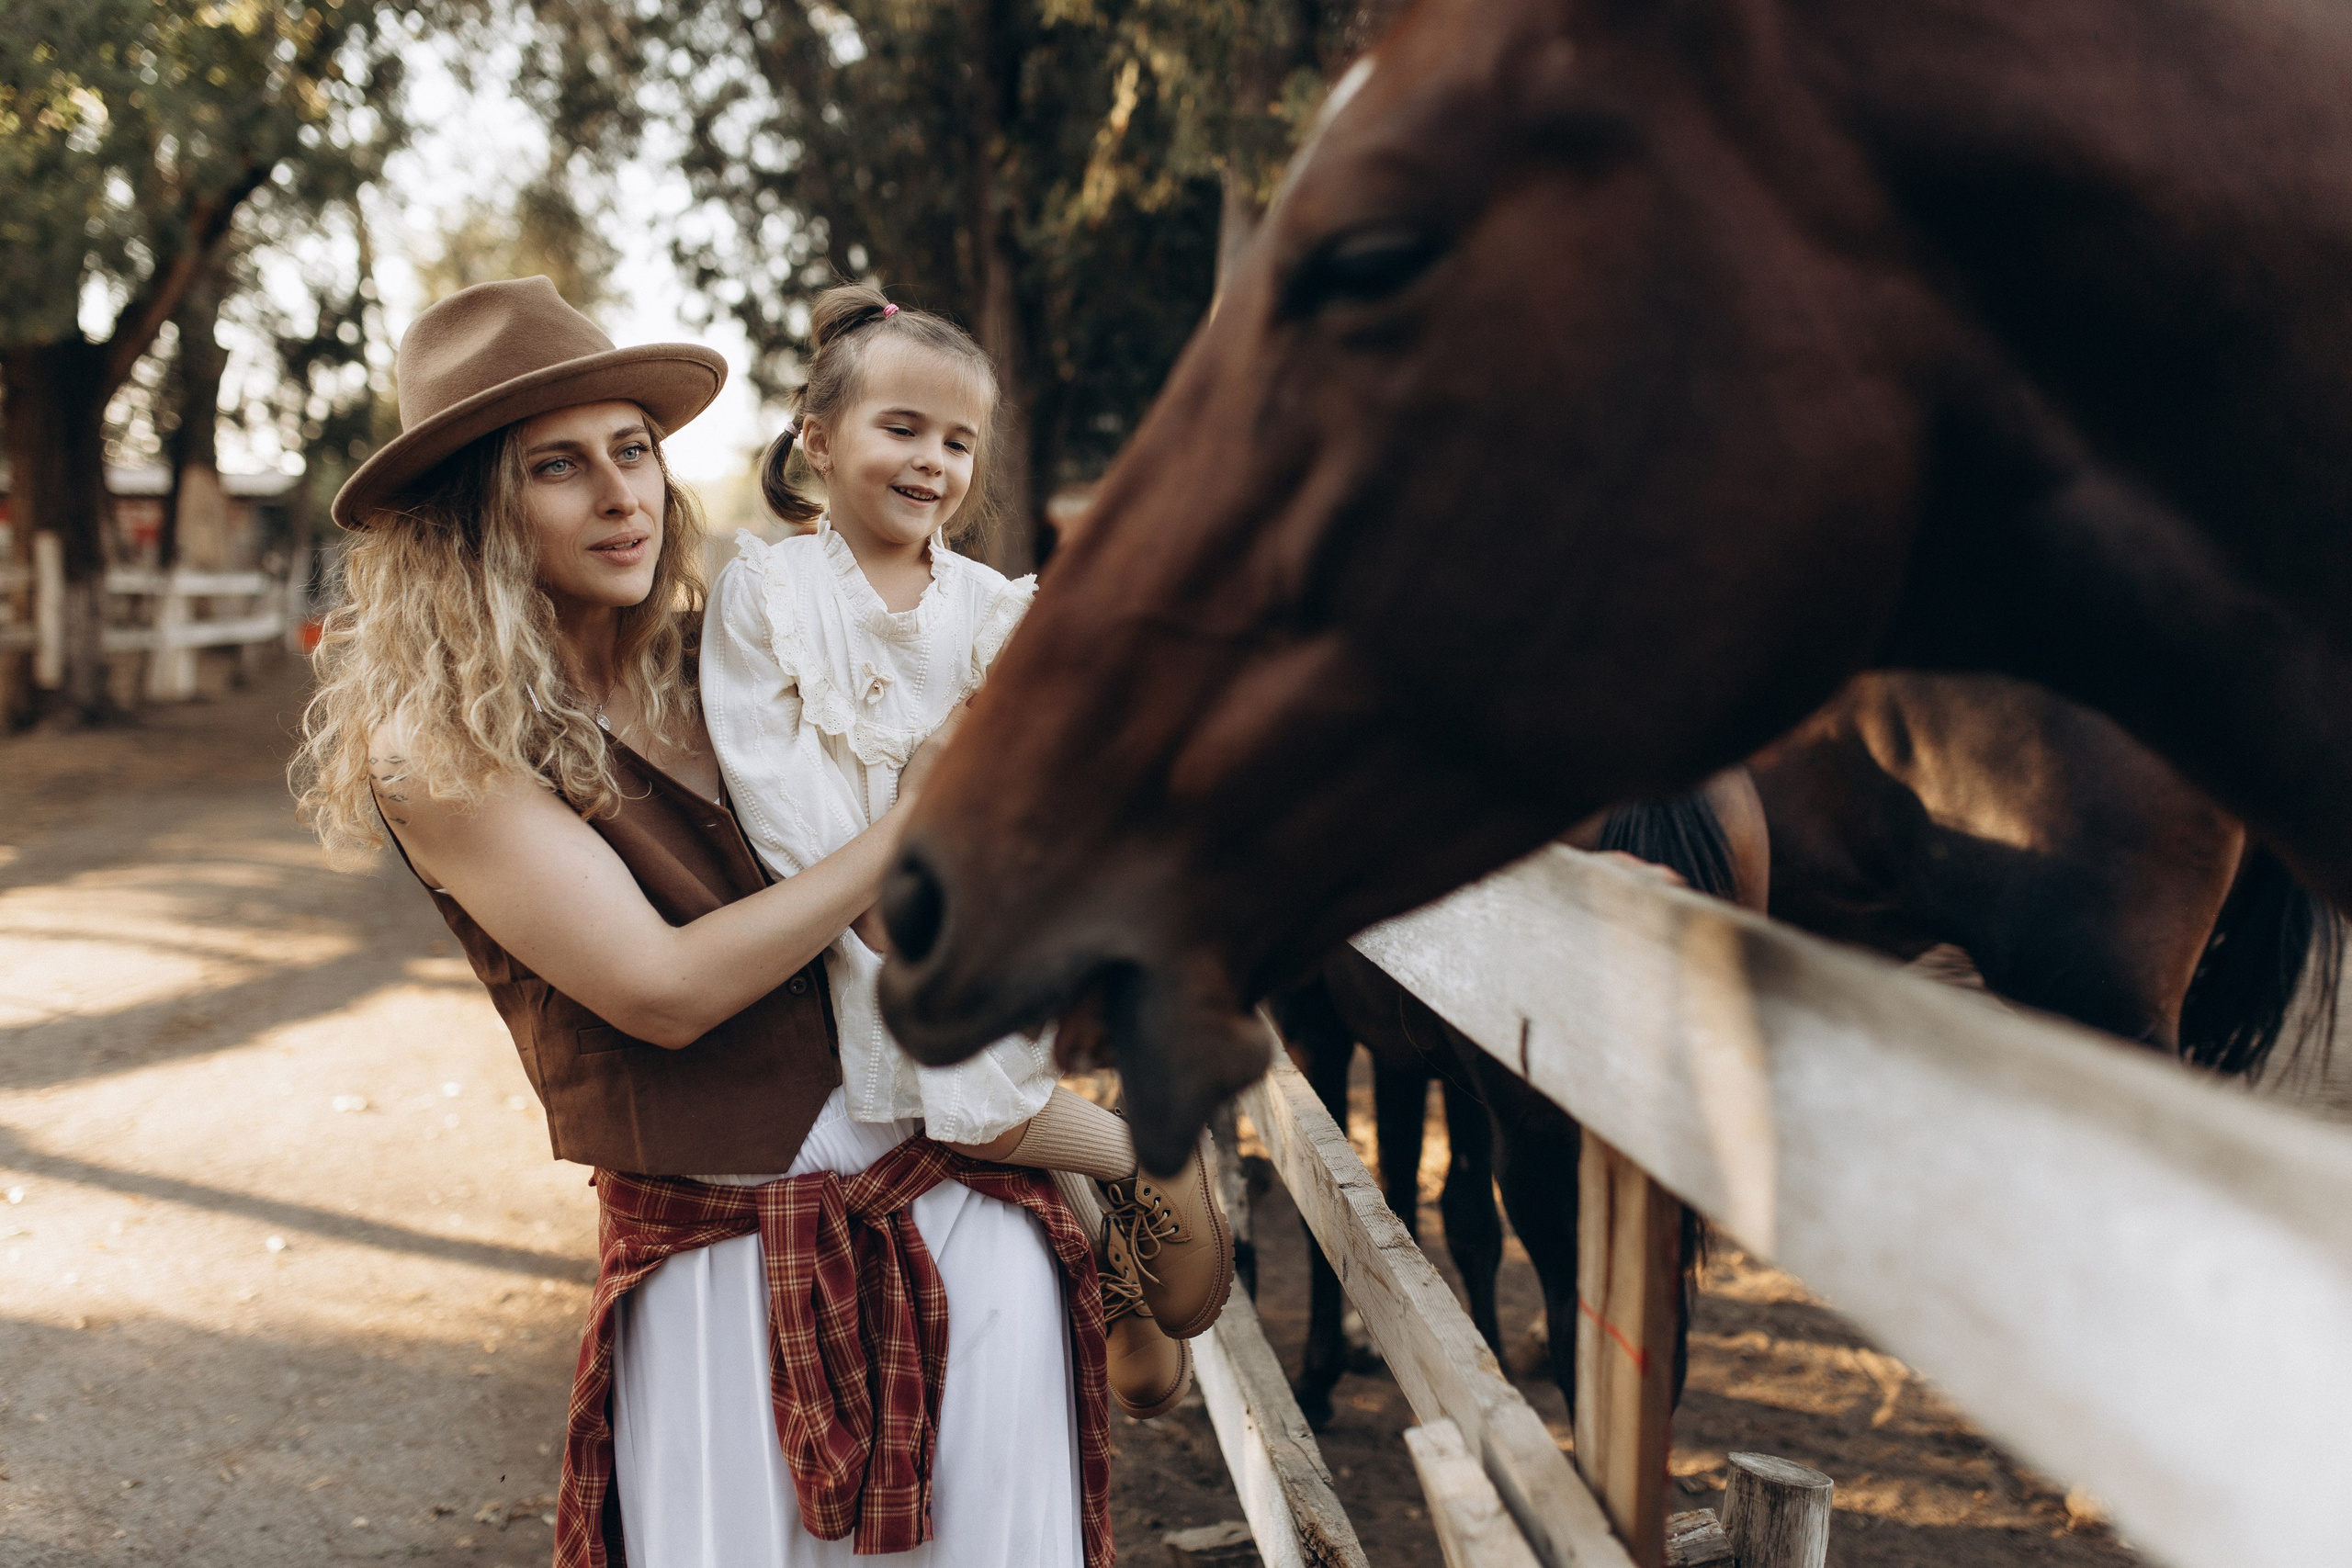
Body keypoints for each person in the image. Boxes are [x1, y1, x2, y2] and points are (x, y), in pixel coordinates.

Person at [293, 276, 1109, 1568]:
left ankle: (1137, 1229)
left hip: (948, 1200)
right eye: (559, 467)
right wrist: (905, 825)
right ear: (468, 513)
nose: (623, 496)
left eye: (635, 452)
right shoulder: (439, 749)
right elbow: (661, 987)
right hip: (732, 1261)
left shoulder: (720, 646)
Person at [698, 284, 1231, 1421]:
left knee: (979, 1056)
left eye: (958, 439)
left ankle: (1116, 1270)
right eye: (902, 428)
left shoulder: (997, 612)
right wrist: (891, 878)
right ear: (820, 438)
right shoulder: (768, 595)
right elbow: (770, 780)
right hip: (840, 900)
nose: (932, 459)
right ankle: (1129, 1164)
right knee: (939, 1057)